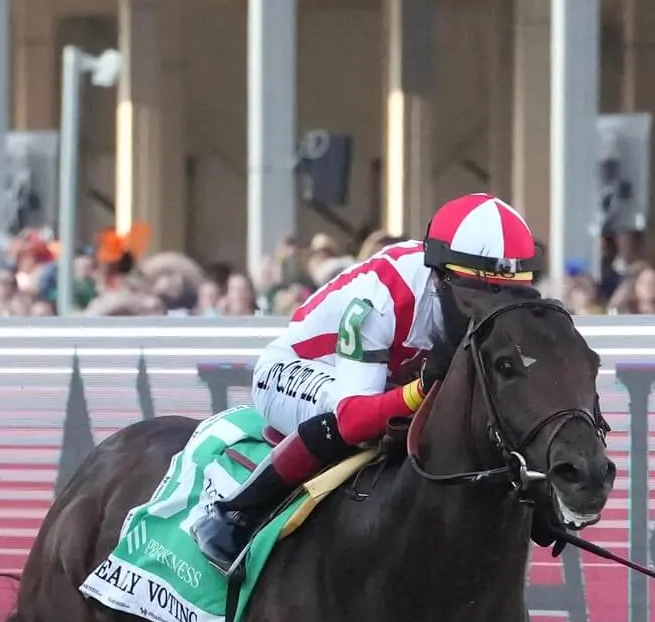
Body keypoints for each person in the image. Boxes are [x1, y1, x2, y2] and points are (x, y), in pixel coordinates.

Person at [191, 193, 542, 575]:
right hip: (300, 370)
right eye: (478, 294)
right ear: (440, 277)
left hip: (388, 374)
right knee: (356, 428)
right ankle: (234, 516)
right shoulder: (381, 298)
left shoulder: (466, 288)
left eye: (507, 295)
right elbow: (353, 418)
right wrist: (421, 389)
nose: (491, 311)